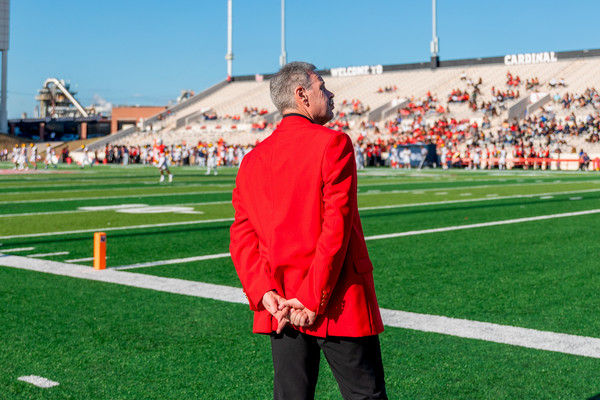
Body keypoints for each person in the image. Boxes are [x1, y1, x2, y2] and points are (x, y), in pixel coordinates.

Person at [230, 62, 387, 400]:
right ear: (301, 95)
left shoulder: (252, 160)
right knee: (365, 395)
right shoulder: (333, 144)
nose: (330, 93)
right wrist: (312, 297)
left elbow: (241, 236)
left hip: (280, 305)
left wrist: (263, 293)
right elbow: (336, 226)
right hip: (337, 298)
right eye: (322, 86)